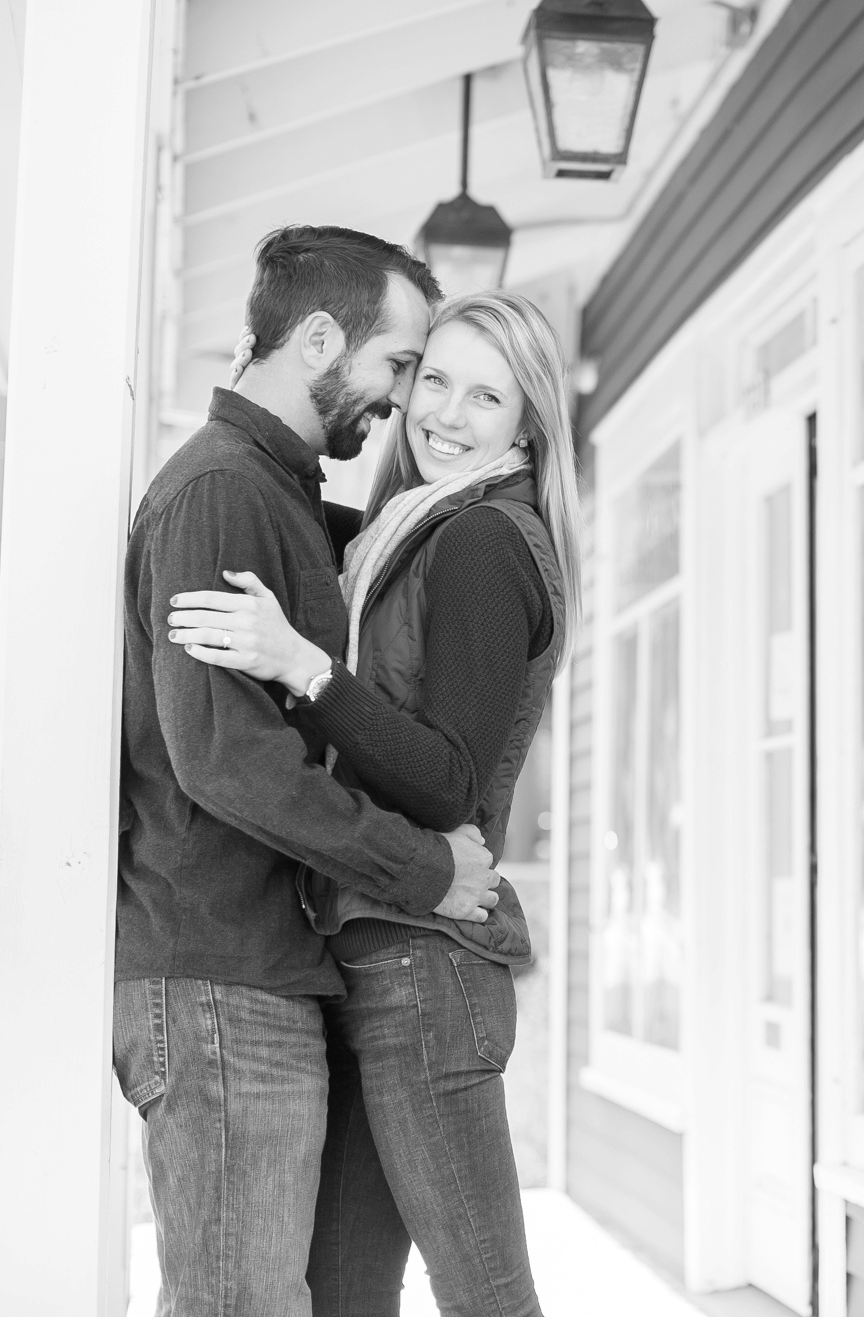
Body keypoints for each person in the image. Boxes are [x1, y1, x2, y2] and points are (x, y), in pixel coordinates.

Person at [165, 290, 581, 1316]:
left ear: (525, 422)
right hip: (365, 960)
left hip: (425, 969)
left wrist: (302, 665)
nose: (445, 411)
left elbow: (444, 777)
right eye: (431, 377)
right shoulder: (410, 528)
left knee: (486, 1298)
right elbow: (310, 535)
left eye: (486, 395)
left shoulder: (484, 537)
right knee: (345, 1295)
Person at [116, 226, 505, 1316]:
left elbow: (386, 552)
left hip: (261, 974)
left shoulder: (282, 494)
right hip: (217, 976)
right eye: (399, 367)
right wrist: (421, 867)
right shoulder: (220, 493)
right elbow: (228, 762)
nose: (402, 400)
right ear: (320, 338)